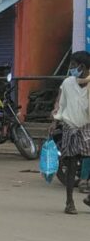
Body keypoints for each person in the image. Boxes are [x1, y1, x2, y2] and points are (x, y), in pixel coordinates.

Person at [50, 52, 90, 214]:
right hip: (70, 126)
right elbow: (61, 104)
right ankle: (69, 202)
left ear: (83, 67)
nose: (71, 69)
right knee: (72, 164)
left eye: (73, 66)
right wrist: (54, 121)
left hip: (87, 127)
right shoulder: (67, 83)